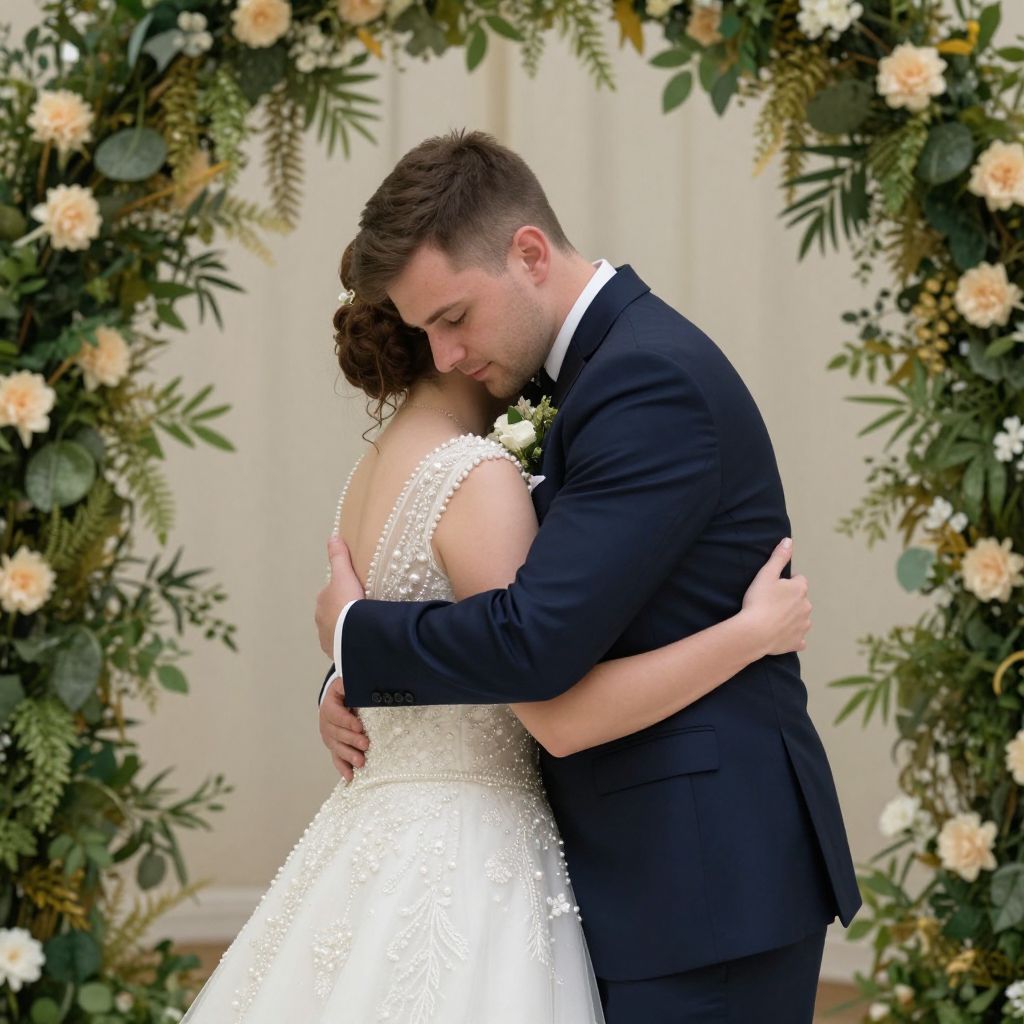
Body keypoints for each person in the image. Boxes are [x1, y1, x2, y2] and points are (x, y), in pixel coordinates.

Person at [178, 254, 815, 1023]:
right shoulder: (478, 472)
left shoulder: (369, 471)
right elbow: (546, 693)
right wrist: (750, 633)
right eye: (443, 322)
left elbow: (423, 620)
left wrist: (350, 667)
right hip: (474, 851)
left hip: (383, 838)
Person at [316, 129, 862, 1024]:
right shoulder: (572, 375)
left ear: (530, 253)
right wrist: (352, 682)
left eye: (453, 318)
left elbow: (534, 639)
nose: (443, 357)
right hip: (633, 878)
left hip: (702, 882)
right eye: (425, 333)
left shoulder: (645, 378)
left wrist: (358, 638)